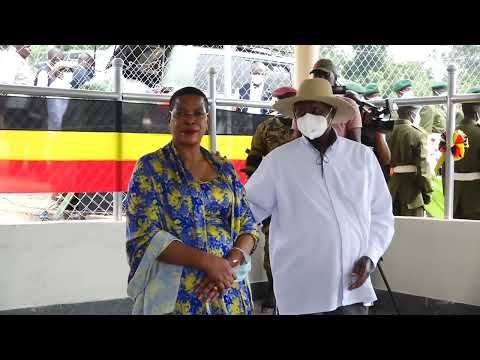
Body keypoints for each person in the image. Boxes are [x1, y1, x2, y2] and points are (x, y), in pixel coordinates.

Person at [245, 78, 395, 315]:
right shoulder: (279, 161)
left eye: (315, 110)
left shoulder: (361, 158)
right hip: (301, 288)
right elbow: (248, 210)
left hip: (351, 285)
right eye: (301, 111)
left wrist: (371, 255)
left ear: (331, 113)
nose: (307, 117)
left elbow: (381, 215)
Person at [125, 86, 259, 315]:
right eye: (182, 113)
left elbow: (248, 226)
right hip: (179, 294)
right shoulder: (151, 168)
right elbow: (144, 233)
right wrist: (208, 263)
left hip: (227, 287)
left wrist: (229, 265)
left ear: (207, 121)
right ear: (170, 119)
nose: (190, 120)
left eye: (198, 113)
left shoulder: (224, 169)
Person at [241, 86, 297, 312]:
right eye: (279, 100)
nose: (282, 104)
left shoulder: (304, 127)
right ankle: (274, 292)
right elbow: (254, 160)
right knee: (272, 245)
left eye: (287, 100)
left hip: (300, 196)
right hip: (274, 197)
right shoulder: (265, 128)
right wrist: (260, 193)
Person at [388, 105, 432, 216]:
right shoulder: (417, 133)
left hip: (391, 188)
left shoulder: (387, 132)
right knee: (414, 230)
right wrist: (427, 192)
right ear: (411, 113)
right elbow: (423, 167)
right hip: (411, 192)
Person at [309, 58, 362, 142]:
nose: (321, 78)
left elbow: (356, 144)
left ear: (335, 78)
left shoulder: (349, 104)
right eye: (317, 74)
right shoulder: (303, 104)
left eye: (326, 75)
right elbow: (297, 138)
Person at [449, 87, 480, 220]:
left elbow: (444, 169)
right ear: (476, 108)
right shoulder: (478, 132)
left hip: (453, 198)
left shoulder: (449, 132)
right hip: (475, 199)